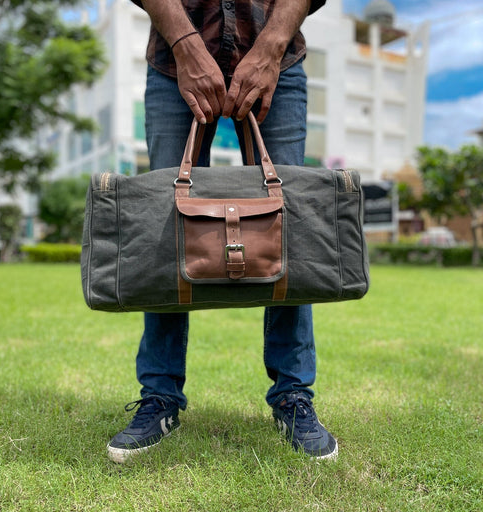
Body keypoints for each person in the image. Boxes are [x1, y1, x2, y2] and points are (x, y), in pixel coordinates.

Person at [107, 0, 338, 463]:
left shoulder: (275, 52)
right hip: (177, 65)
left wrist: (271, 46)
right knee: (168, 231)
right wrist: (186, 43)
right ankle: (161, 396)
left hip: (278, 58)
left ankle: (294, 396)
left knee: (286, 227)